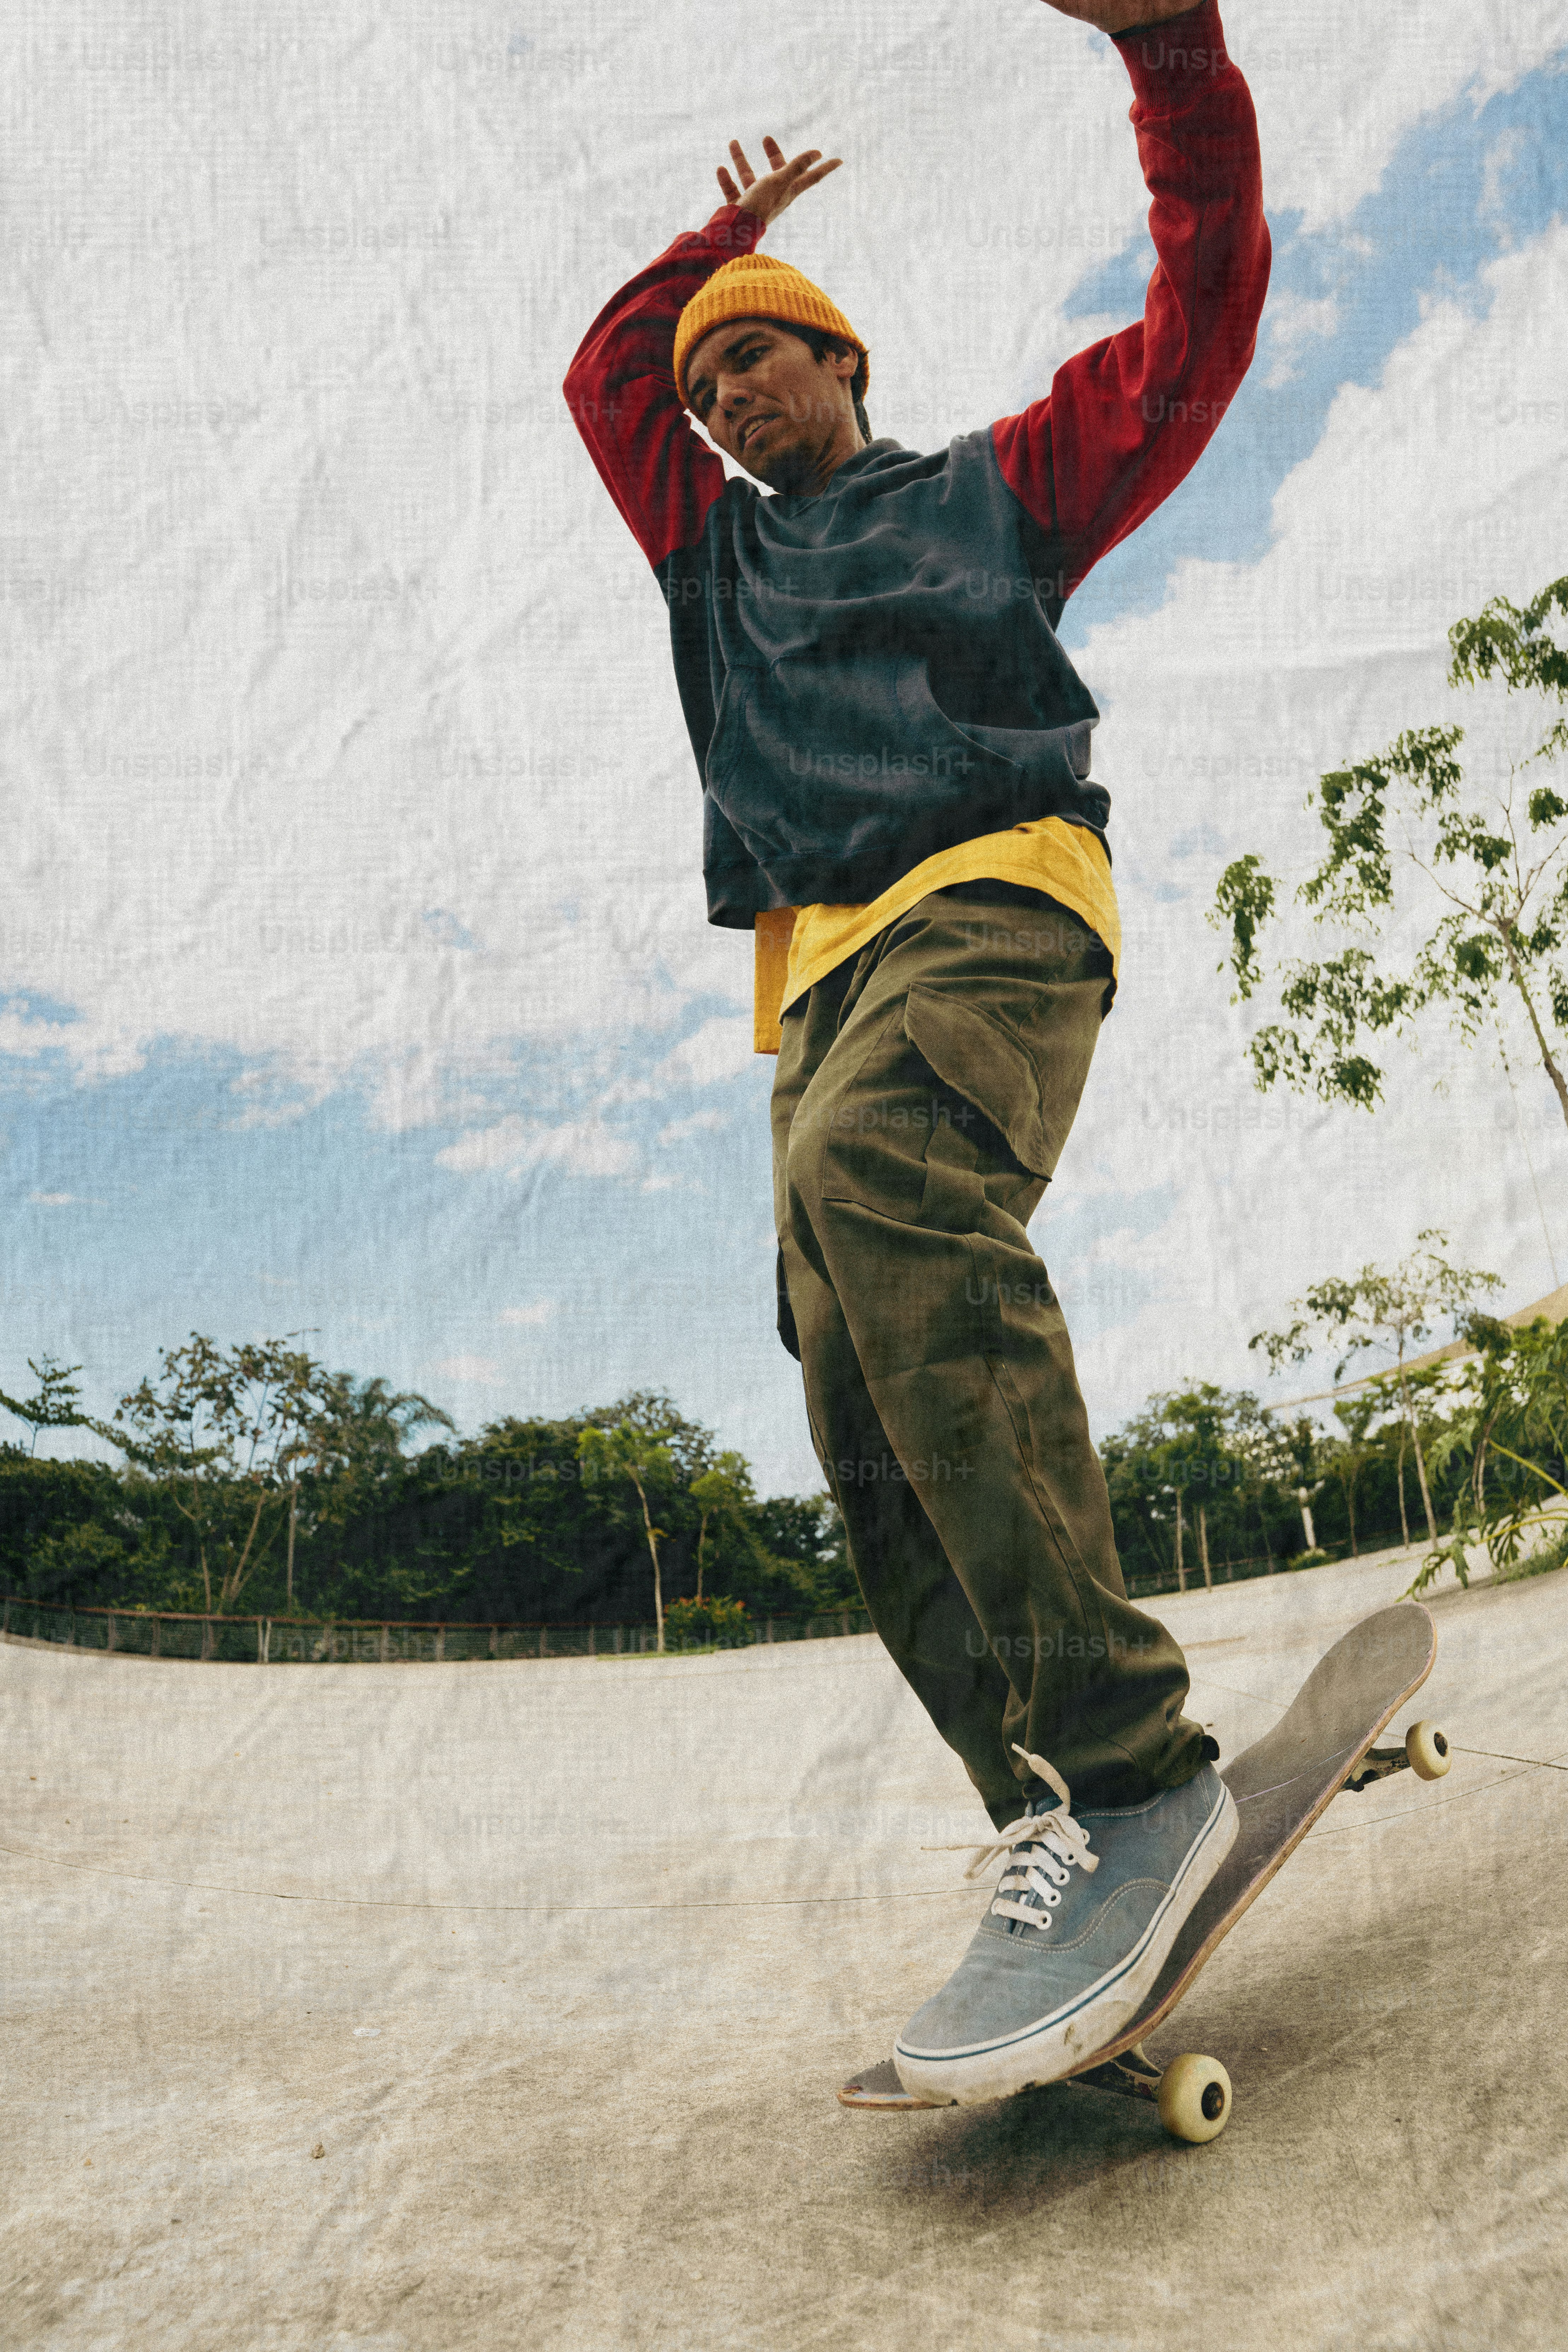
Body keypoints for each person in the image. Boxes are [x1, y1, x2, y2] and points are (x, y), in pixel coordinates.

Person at [564, 0, 1269, 2104]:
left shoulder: (995, 491)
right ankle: (1044, 1811)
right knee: (844, 1351)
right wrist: (691, 264)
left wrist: (1168, 54)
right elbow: (600, 380)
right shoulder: (711, 557)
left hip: (993, 896)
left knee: (889, 1180)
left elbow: (1199, 310)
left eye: (761, 356)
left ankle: (1141, 1764)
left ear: (843, 359)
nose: (724, 398)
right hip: (818, 974)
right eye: (709, 389)